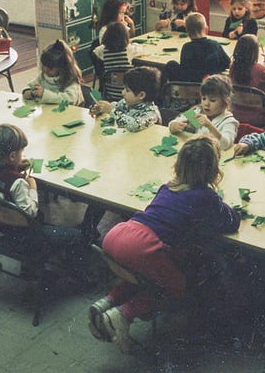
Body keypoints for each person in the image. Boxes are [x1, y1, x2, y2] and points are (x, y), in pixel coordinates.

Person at [88, 135, 241, 352]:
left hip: (118, 234)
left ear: (178, 165)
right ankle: (122, 315)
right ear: (213, 171)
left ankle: (106, 303)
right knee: (175, 287)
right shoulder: (206, 197)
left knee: (143, 276)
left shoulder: (168, 187)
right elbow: (231, 223)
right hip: (143, 245)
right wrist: (226, 206)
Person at [0, 124, 91, 278]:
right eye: (20, 152)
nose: (22, 154)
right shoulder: (17, 183)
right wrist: (32, 186)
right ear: (12, 156)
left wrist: (14, 168)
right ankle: (79, 275)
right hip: (24, 237)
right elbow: (30, 212)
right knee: (77, 235)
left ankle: (33, 265)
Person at [168, 75, 239, 151]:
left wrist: (209, 126)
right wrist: (174, 126)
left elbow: (225, 145)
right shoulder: (198, 111)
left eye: (212, 100)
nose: (206, 104)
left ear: (225, 102)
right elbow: (173, 123)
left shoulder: (229, 121)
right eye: (203, 98)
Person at [228, 33, 265, 126]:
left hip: (235, 112)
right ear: (254, 52)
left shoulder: (233, 67)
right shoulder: (259, 69)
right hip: (257, 115)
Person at [90, 66, 161, 132]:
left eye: (127, 90)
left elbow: (135, 125)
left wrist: (112, 111)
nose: (122, 92)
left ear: (141, 95)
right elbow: (115, 106)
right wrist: (100, 109)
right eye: (124, 88)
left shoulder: (152, 114)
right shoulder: (126, 103)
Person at [169, 13, 230, 82]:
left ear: (187, 32)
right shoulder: (214, 45)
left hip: (190, 87)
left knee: (171, 64)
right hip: (209, 87)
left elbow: (184, 70)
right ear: (206, 30)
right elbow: (227, 63)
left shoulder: (186, 47)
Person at [22, 40, 83, 106]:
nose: (46, 70)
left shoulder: (71, 79)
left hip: (71, 112)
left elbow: (70, 99)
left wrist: (44, 94)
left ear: (62, 68)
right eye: (44, 66)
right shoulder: (44, 76)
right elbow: (31, 85)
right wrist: (27, 91)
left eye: (50, 68)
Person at [92, 21, 134, 101]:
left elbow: (94, 52)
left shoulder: (101, 50)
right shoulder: (129, 50)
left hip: (110, 93)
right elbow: (142, 50)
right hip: (128, 92)